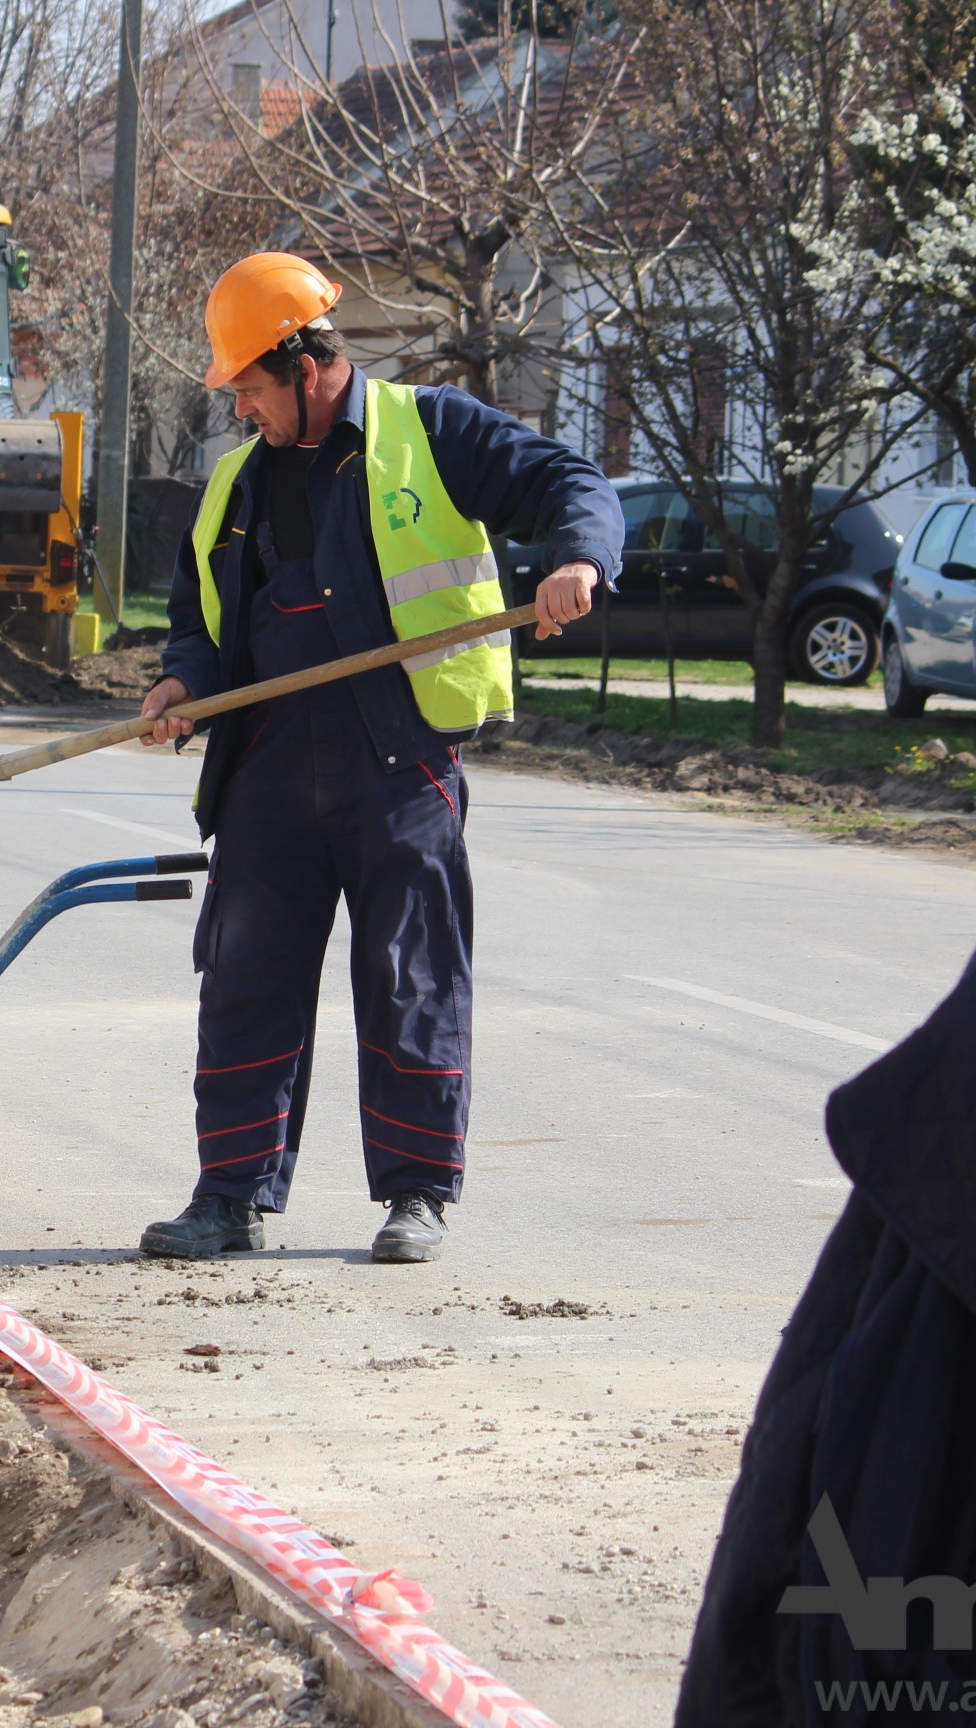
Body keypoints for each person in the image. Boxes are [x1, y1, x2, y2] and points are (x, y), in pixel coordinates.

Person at [136, 253, 621, 1265]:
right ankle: (231, 1195)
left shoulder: (431, 432)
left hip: (397, 762)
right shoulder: (234, 484)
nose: (241, 413)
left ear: (304, 364)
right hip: (266, 766)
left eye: (249, 391)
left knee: (411, 978)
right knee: (245, 982)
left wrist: (578, 558)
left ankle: (415, 1196)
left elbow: (568, 480)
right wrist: (182, 681)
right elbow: (198, 619)